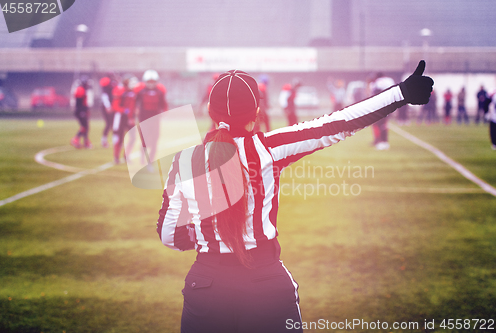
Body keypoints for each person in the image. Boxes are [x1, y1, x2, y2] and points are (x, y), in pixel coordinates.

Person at [157, 62, 433, 333]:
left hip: (206, 286)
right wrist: (401, 93)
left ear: (209, 109)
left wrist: (206, 235)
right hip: (265, 284)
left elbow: (169, 236)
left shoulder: (183, 161)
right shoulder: (269, 148)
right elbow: (336, 125)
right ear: (257, 110)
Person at [136, 69, 168, 165]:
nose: (150, 84)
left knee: (154, 141)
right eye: (149, 82)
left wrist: (164, 112)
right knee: (144, 140)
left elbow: (164, 104)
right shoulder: (141, 92)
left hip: (155, 119)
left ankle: (150, 161)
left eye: (152, 82)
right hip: (144, 119)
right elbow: (135, 104)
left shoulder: (159, 92)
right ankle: (142, 158)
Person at [112, 74, 139, 164]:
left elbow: (133, 106)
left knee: (133, 138)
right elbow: (115, 106)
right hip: (121, 117)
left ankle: (126, 156)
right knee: (119, 138)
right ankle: (116, 157)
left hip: (129, 118)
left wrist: (132, 116)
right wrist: (125, 111)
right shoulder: (120, 91)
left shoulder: (133, 92)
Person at [370, 73, 395, 150]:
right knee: (383, 124)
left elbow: (376, 93)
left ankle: (383, 142)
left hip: (381, 105)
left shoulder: (379, 82)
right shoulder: (390, 80)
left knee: (380, 124)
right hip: (389, 105)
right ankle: (383, 141)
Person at [70, 76, 92, 149]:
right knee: (84, 126)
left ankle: (85, 141)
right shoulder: (80, 90)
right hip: (80, 111)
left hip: (82, 110)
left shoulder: (82, 89)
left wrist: (86, 110)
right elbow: (79, 103)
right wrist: (83, 111)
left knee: (86, 126)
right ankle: (76, 139)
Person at [99, 74, 117, 148]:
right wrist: (108, 106)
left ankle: (115, 141)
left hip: (112, 106)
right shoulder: (106, 84)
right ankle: (104, 140)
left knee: (113, 124)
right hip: (107, 106)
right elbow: (105, 95)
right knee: (109, 123)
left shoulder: (113, 84)